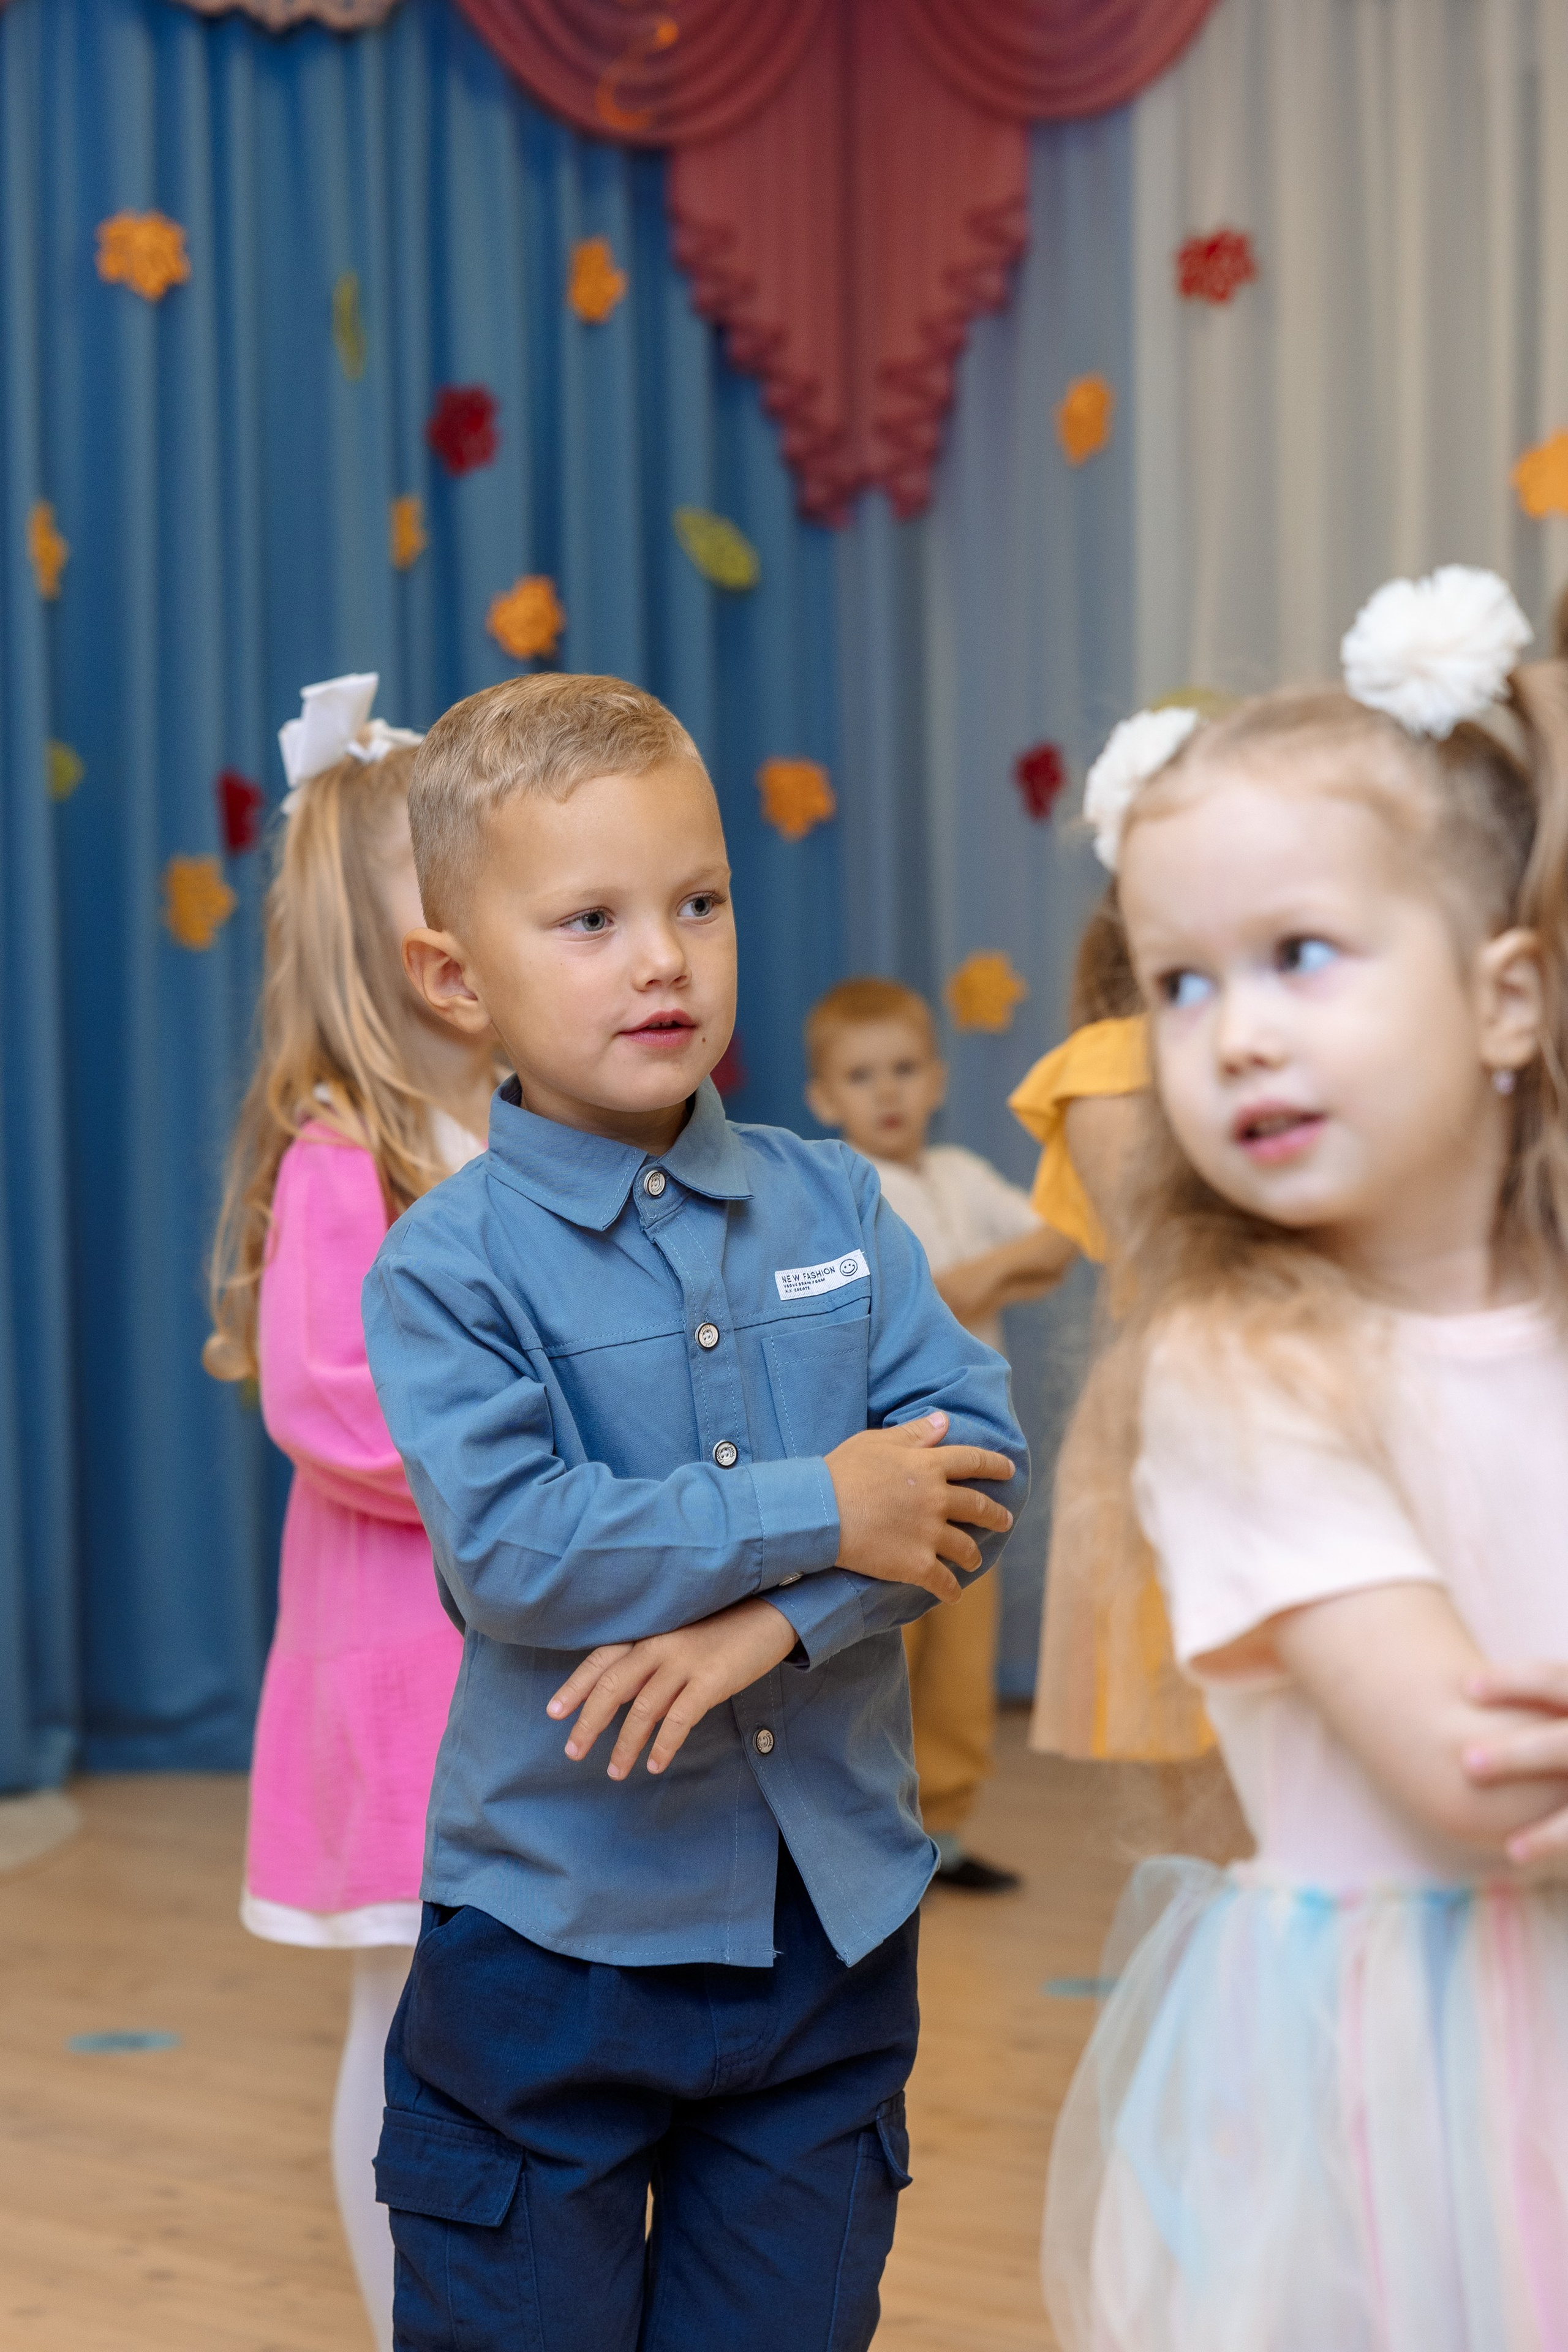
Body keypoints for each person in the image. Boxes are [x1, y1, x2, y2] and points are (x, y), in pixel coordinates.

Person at [357, 673, 1028, 2352]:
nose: (663, 958)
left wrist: (773, 1628)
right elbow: (517, 1549)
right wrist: (827, 1505)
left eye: (699, 903)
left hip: (830, 1938)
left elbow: (968, 1466)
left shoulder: (834, 1198)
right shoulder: (443, 1270)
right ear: (455, 976)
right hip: (550, 1948)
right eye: (590, 920)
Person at [1041, 565, 1568, 2349]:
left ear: (1506, 1001)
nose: (1238, 1031)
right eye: (1180, 986)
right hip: (1410, 2080)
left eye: (1300, 956)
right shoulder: (1240, 1370)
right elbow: (1478, 1776)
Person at [203, 676, 499, 2352]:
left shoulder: (523, 1132)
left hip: (505, 1667)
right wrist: (543, 1451)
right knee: (409, 2023)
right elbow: (333, 1403)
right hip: (401, 1679)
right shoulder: (342, 1161)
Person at [804, 974, 1068, 1889]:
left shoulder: (959, 1177)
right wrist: (985, 1282)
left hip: (977, 1464)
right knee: (880, 1658)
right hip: (885, 1469)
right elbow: (879, 1312)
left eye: (905, 1069)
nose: (887, 1092)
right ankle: (861, 1838)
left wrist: (965, 1284)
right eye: (861, 1075)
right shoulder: (837, 1188)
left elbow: (1057, 1242)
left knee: (960, 1661)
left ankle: (943, 1833)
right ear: (824, 1099)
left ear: (939, 1079)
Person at [1009, 891, 1216, 1766]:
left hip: (1192, 1391)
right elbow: (1161, 1247)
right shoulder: (1114, 1065)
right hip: (1195, 1401)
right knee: (1207, 1747)